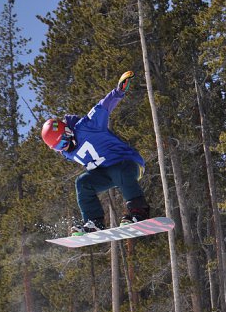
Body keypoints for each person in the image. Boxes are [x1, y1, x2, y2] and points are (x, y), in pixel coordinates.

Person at [41, 71, 150, 235]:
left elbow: (104, 105)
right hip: (108, 174)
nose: (63, 148)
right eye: (58, 148)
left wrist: (119, 91)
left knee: (116, 170)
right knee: (82, 182)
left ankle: (138, 211)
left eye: (63, 142)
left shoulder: (87, 126)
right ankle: (95, 222)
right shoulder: (67, 153)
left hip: (129, 165)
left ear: (68, 131)